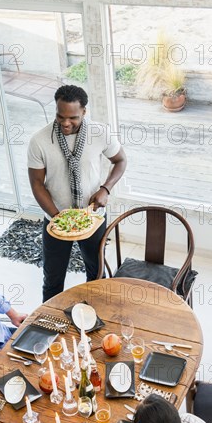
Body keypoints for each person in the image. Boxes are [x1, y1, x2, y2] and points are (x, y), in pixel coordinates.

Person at [28, 84, 127, 301]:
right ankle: (50, 326)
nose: (65, 123)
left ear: (84, 111)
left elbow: (120, 161)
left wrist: (106, 188)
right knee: (52, 279)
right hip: (56, 220)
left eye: (72, 117)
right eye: (60, 116)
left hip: (92, 218)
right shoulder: (39, 140)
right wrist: (59, 219)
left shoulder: (100, 133)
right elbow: (36, 183)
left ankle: (92, 317)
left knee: (96, 274)